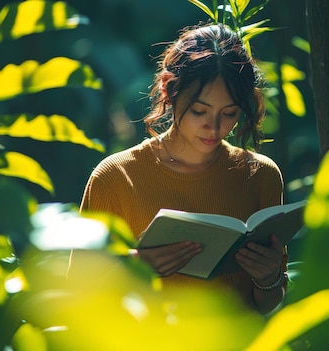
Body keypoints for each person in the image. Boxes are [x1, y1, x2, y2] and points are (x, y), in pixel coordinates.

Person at [80, 23, 287, 314]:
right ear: (169, 89)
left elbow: (267, 301)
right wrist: (134, 268)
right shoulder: (115, 177)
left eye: (229, 113)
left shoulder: (260, 175)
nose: (214, 127)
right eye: (199, 111)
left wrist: (268, 278)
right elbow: (74, 294)